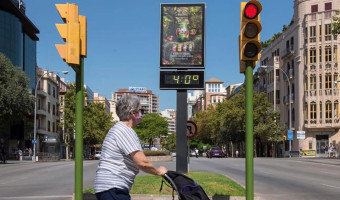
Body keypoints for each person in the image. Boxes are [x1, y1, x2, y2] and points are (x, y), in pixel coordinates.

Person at [94, 94, 167, 200]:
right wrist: (159, 171)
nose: (142, 114)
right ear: (133, 113)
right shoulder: (125, 131)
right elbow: (142, 162)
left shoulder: (117, 129)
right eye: (141, 111)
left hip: (108, 187)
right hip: (113, 186)